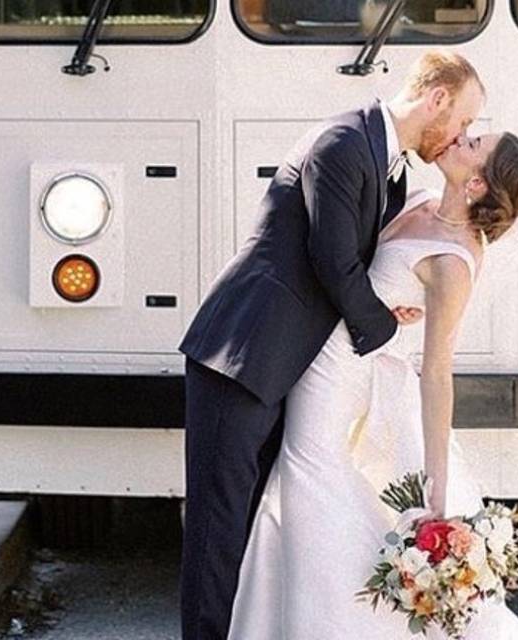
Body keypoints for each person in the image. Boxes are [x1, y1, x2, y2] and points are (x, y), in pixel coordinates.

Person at [177, 50, 486, 640]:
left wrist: (380, 303)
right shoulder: (343, 143)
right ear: (437, 98)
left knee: (245, 528)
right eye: (464, 121)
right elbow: (331, 259)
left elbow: (352, 268)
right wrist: (385, 327)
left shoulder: (392, 170)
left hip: (282, 367)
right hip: (240, 356)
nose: (461, 136)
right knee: (218, 533)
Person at [227, 130, 518, 639]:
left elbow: (438, 370)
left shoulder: (454, 262)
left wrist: (437, 484)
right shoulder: (418, 200)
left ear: (478, 183)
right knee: (304, 489)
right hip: (324, 353)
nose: (461, 137)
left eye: (473, 145)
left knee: (307, 480)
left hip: (346, 376)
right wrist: (379, 308)